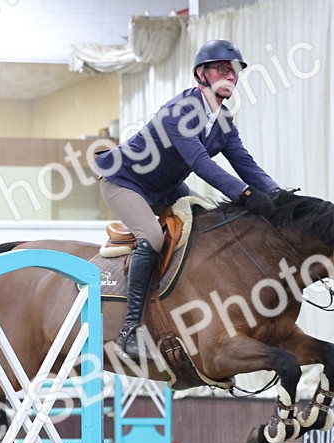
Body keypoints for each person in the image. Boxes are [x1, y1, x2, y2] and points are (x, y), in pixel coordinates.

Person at [94, 39, 283, 358]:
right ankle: (129, 331)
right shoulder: (180, 112)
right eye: (223, 69)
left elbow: (246, 164)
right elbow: (200, 163)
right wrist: (245, 195)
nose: (231, 76)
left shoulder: (223, 122)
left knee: (210, 226)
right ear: (202, 74)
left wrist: (279, 197)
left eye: (235, 71)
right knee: (153, 237)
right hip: (125, 181)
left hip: (165, 188)